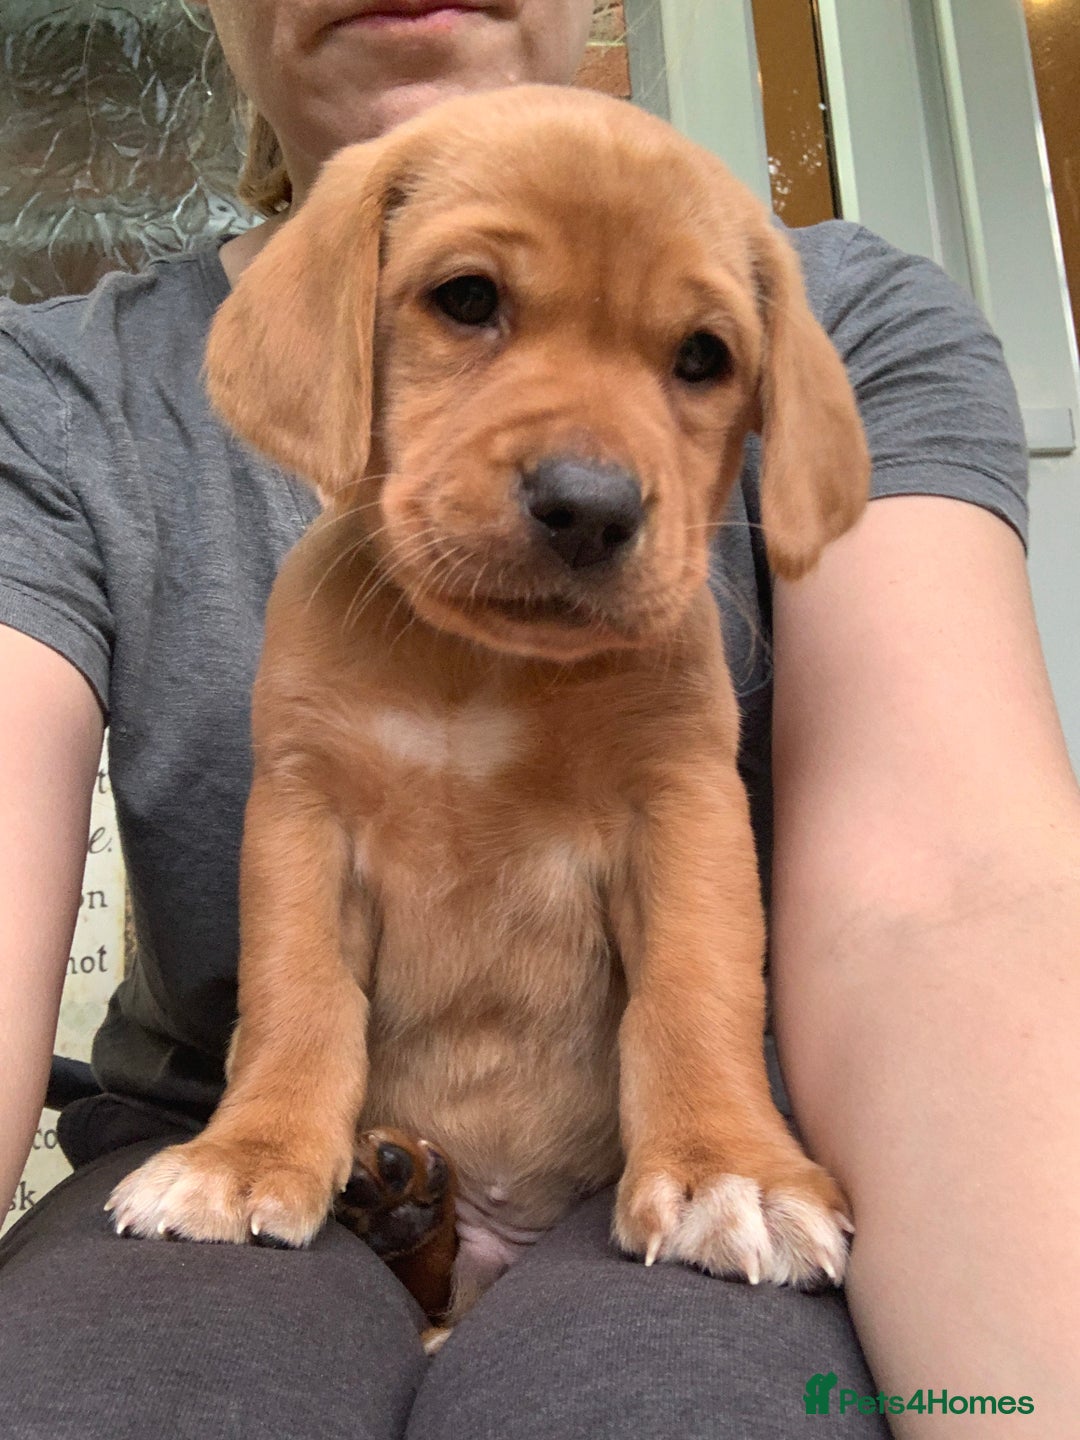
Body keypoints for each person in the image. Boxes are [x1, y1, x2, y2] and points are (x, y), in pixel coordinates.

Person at [1, 1, 1077, 1435]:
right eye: (469, 303)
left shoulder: (854, 314)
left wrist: (720, 1134)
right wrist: (267, 1120)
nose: (591, 477)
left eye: (696, 362)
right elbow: (304, 826)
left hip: (636, 1162)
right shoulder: (67, 396)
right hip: (289, 1153)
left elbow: (940, 888)